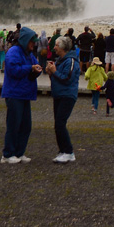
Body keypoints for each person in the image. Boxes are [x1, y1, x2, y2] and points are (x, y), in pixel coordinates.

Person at [0, 26, 42, 164]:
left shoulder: (29, 54)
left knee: (26, 126)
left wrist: (38, 70)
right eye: (32, 41)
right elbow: (13, 70)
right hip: (14, 94)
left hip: (25, 94)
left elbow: (34, 67)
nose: (33, 44)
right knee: (13, 124)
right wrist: (30, 68)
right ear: (25, 40)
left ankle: (19, 153)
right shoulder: (14, 52)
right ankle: (7, 154)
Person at [46, 33, 80, 162]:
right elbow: (58, 78)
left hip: (67, 95)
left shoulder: (71, 61)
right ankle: (62, 151)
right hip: (59, 94)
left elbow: (67, 78)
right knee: (58, 124)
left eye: (56, 45)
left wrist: (54, 71)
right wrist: (51, 73)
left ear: (62, 47)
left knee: (60, 123)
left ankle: (69, 152)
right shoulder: (60, 61)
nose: (54, 47)